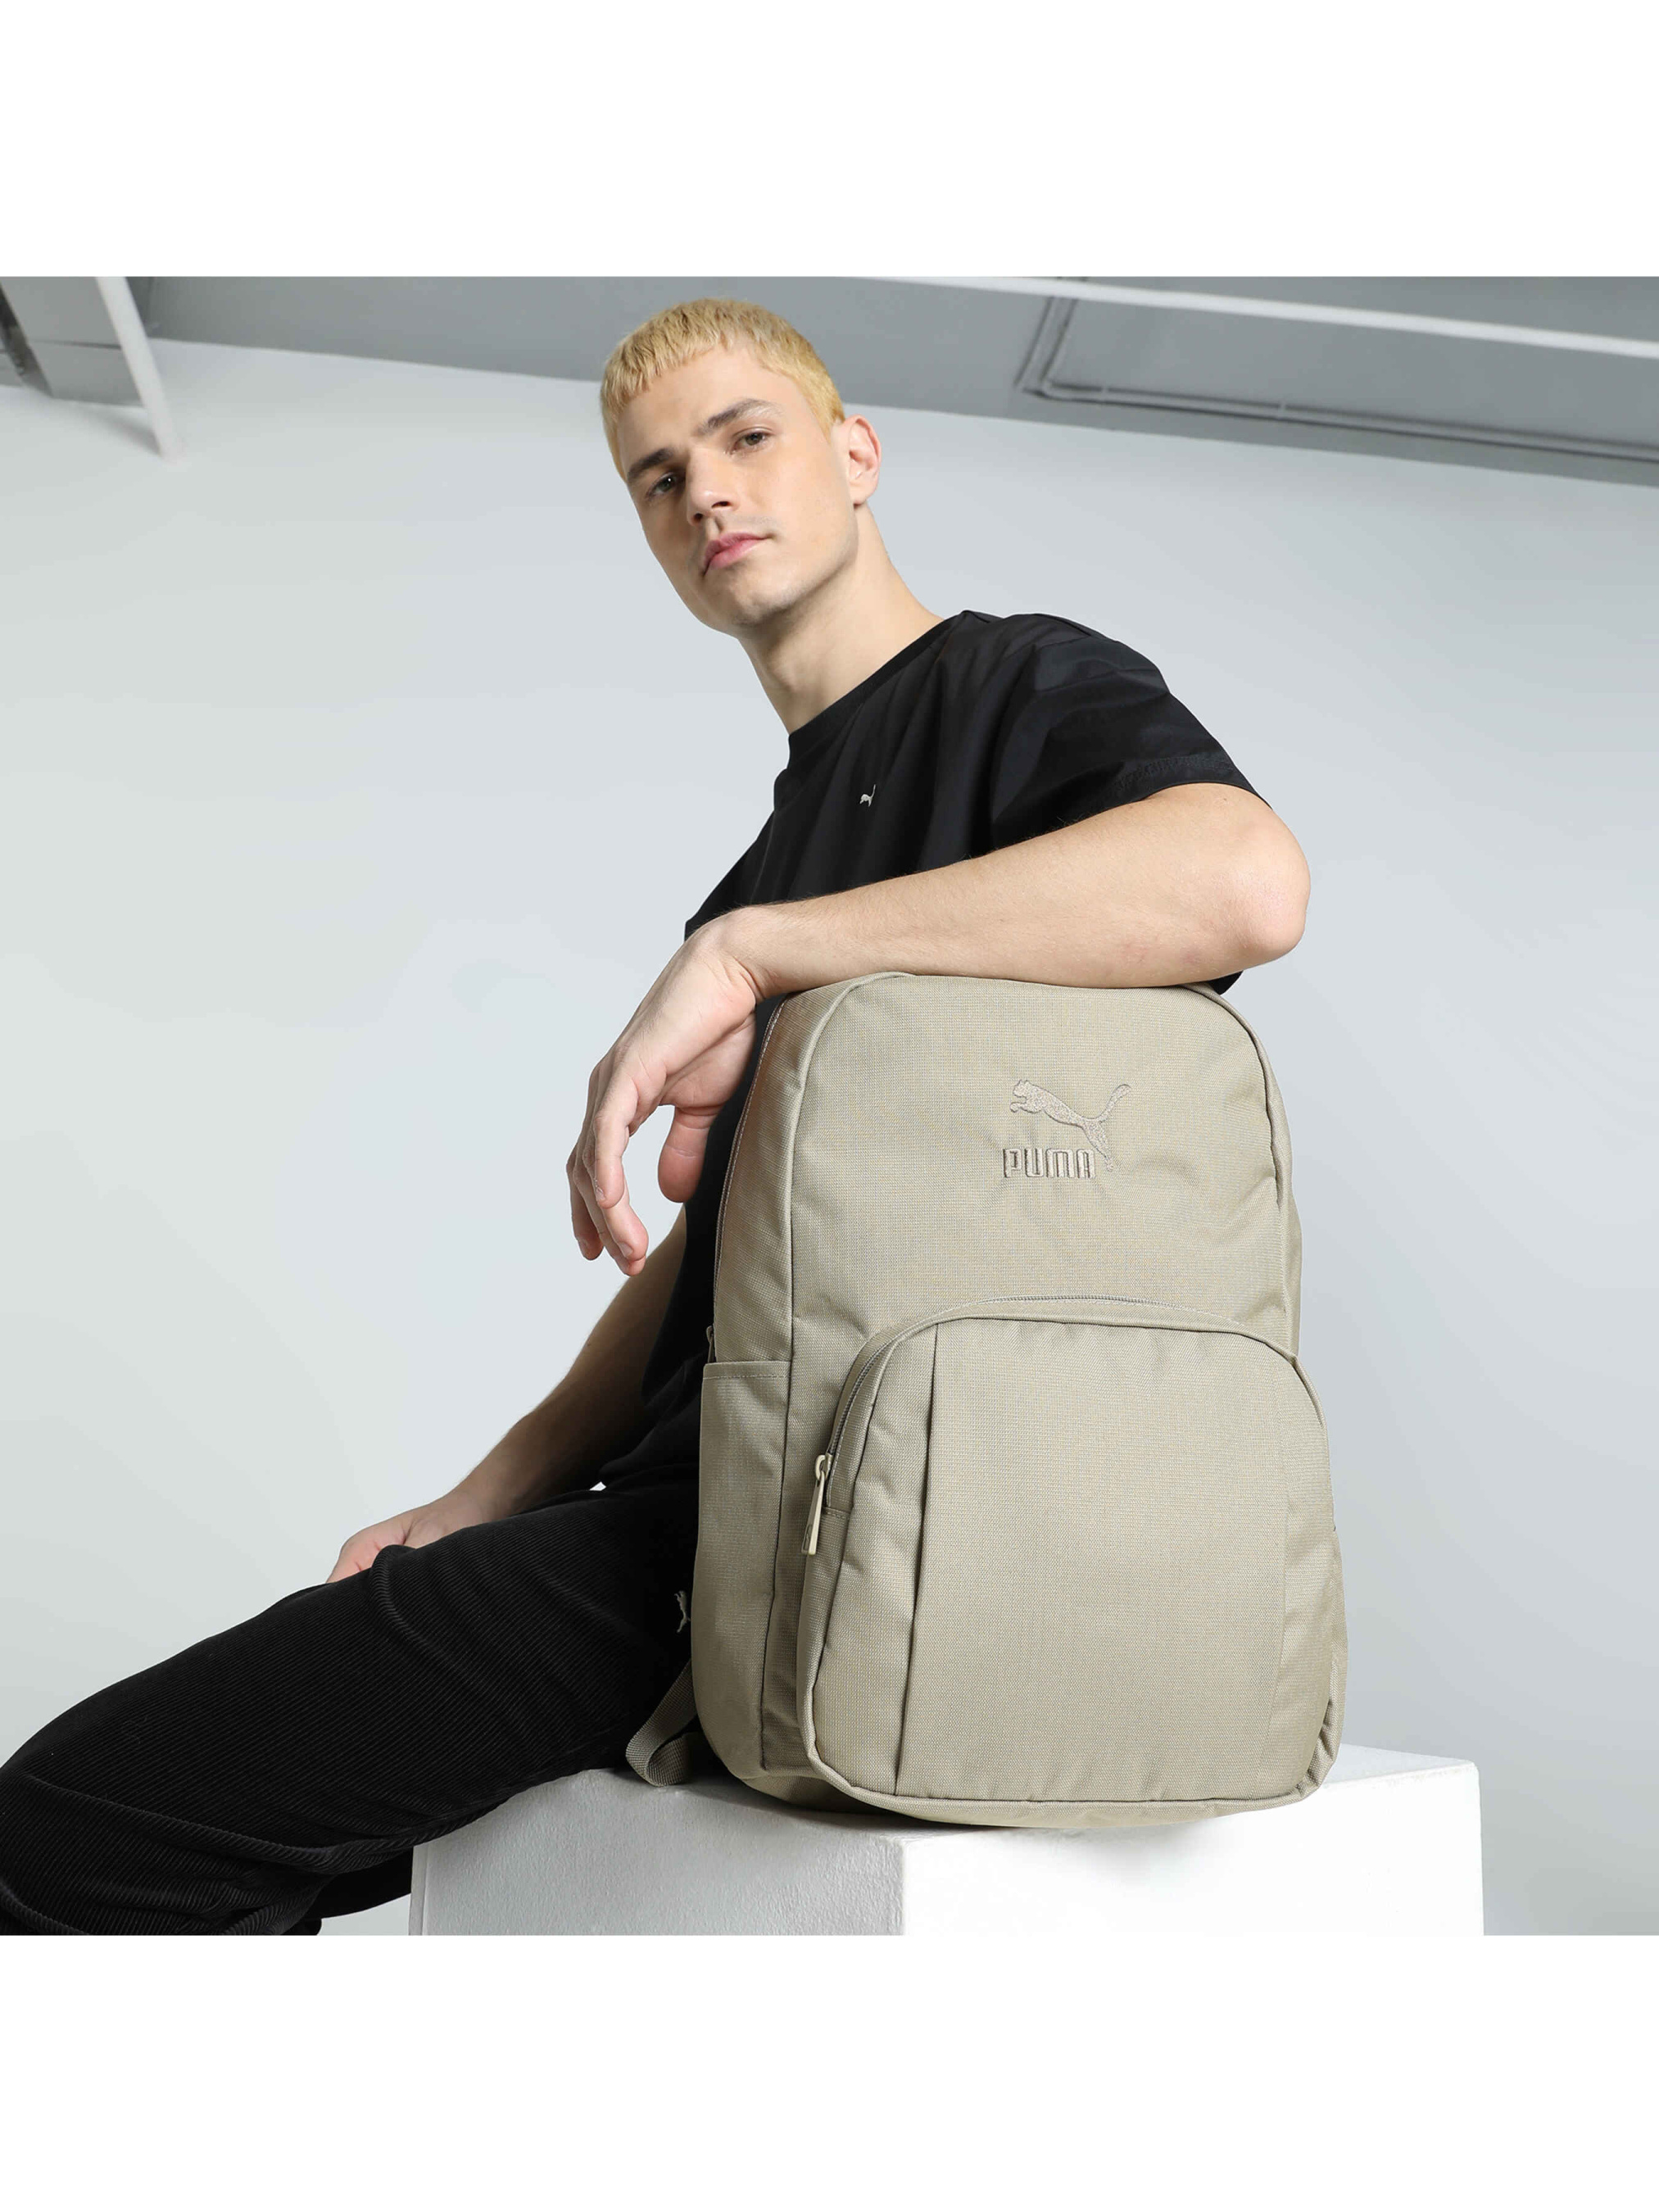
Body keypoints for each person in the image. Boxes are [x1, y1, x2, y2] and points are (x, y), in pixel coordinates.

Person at [0, 297, 1310, 1933]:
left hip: (850, 1526)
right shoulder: (769, 866)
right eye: (657, 475)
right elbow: (733, 1251)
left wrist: (753, 953)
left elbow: (1242, 880)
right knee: (234, 1837)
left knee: (59, 1835)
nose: (707, 492)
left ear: (854, 452)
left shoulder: (1014, 685)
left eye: (746, 436)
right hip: (707, 1502)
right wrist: (480, 1498)